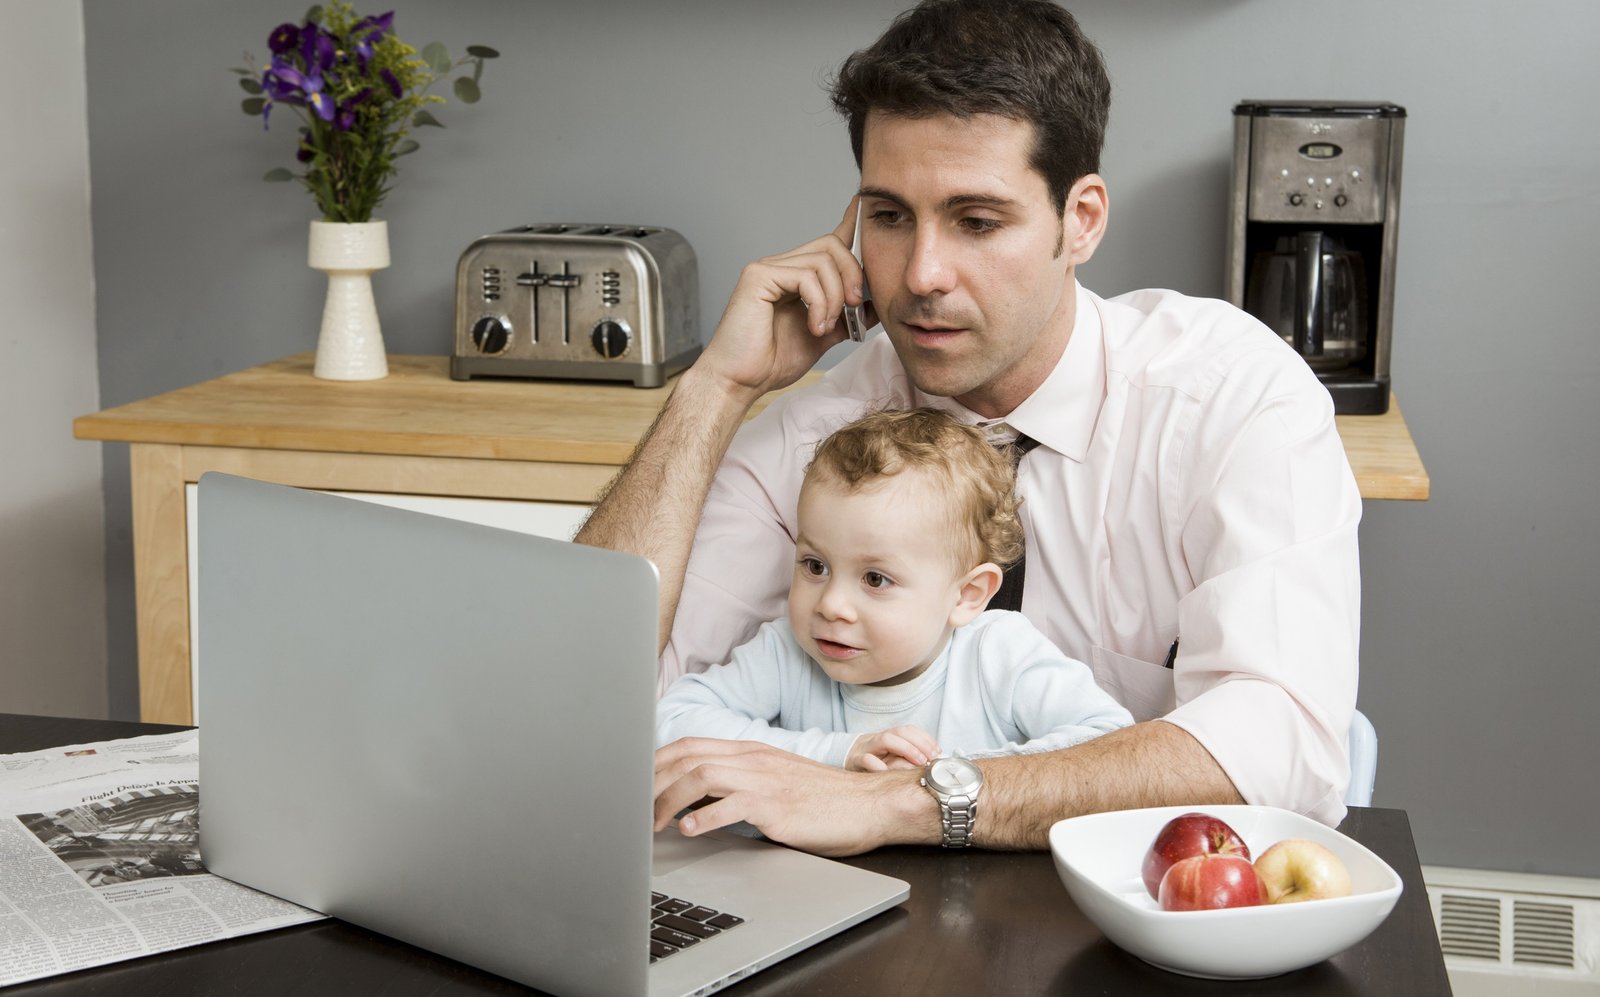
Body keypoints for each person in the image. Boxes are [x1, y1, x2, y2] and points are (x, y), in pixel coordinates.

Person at [577, 0, 1361, 855]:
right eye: (888, 217)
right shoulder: (826, 434)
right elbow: (589, 705)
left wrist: (905, 800)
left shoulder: (1227, 399)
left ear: (1082, 219)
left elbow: (1285, 740)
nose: (921, 275)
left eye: (977, 222)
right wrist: (716, 389)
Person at [655, 408, 1134, 770]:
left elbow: (1109, 742)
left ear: (967, 596)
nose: (831, 605)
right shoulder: (787, 651)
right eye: (815, 565)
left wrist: (939, 781)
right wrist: (839, 754)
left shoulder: (998, 654)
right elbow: (670, 721)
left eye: (875, 579)